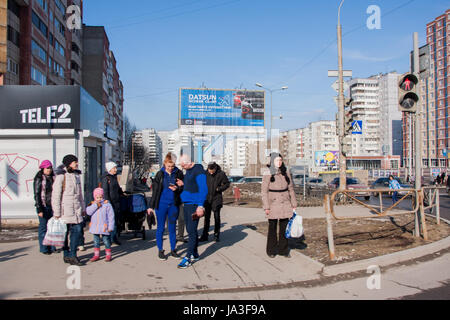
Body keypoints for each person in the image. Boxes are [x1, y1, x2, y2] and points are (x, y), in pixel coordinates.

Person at [148, 153, 184, 260]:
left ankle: (173, 249)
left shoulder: (179, 173)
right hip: (161, 204)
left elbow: (183, 189)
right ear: (164, 163)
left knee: (172, 228)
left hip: (173, 204)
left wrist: (178, 188)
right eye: (168, 166)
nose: (170, 168)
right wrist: (151, 206)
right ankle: (160, 250)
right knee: (160, 228)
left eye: (172, 166)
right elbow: (155, 191)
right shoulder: (160, 174)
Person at [52, 155, 86, 266]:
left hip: (76, 210)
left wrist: (83, 208)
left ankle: (73, 255)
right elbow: (56, 195)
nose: (77, 163)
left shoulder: (76, 175)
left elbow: (80, 194)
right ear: (69, 163)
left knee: (76, 231)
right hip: (65, 211)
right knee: (64, 233)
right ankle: (66, 254)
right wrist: (56, 212)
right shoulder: (61, 176)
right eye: (75, 162)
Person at [261, 153, 297, 258]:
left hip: (285, 203)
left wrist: (293, 204)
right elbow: (264, 192)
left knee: (284, 228)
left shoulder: (286, 172)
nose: (279, 162)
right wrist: (266, 207)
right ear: (272, 162)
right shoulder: (267, 174)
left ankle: (283, 250)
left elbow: (291, 189)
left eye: (280, 160)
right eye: (277, 160)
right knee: (272, 228)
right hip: (273, 203)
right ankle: (271, 250)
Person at [176, 154, 208, 269]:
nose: (182, 167)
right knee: (190, 230)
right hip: (187, 204)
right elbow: (192, 185)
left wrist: (200, 206)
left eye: (183, 165)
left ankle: (188, 257)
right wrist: (182, 184)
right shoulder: (189, 171)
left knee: (192, 232)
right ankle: (195, 254)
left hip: (194, 205)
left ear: (189, 162)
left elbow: (203, 189)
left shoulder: (198, 171)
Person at [199, 162, 230, 242]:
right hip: (207, 199)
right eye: (209, 170)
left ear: (215, 169)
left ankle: (216, 234)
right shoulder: (205, 174)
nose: (211, 172)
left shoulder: (221, 174)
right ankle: (205, 235)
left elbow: (227, 184)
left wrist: (219, 189)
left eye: (212, 171)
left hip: (216, 198)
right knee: (207, 218)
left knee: (216, 217)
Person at [86, 188, 115, 262]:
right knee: (96, 242)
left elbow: (111, 216)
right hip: (95, 227)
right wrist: (96, 205)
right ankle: (96, 255)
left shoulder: (107, 204)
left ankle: (108, 254)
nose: (99, 199)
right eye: (97, 197)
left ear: (103, 196)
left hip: (104, 227)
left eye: (101, 197)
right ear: (94, 197)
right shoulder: (93, 204)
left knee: (106, 241)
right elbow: (88, 212)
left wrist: (111, 226)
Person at [33, 160, 56, 255]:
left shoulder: (53, 177)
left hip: (52, 206)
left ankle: (51, 246)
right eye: (47, 168)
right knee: (43, 228)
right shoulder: (39, 179)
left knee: (51, 227)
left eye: (50, 168)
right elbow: (37, 194)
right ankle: (44, 248)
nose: (49, 170)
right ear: (43, 168)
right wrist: (39, 209)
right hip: (43, 206)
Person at [101, 162, 124, 245]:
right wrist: (107, 202)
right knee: (111, 221)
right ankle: (109, 239)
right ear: (109, 169)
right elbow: (105, 191)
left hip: (116, 202)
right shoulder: (106, 178)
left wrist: (122, 193)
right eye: (114, 168)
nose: (115, 169)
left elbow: (117, 187)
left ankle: (114, 237)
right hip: (110, 203)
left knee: (115, 221)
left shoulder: (114, 177)